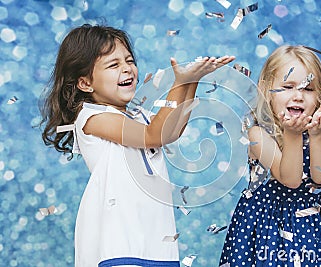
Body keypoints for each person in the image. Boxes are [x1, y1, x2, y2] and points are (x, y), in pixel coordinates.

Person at [40, 24, 234, 267]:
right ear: (85, 83)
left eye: (129, 61)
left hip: (155, 234)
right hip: (120, 239)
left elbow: (171, 131)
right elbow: (155, 134)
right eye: (113, 65)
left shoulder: (138, 115)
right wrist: (179, 83)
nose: (127, 69)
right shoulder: (92, 118)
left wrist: (190, 83)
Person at [219, 45, 321, 266]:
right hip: (270, 224)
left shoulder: (317, 127)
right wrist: (293, 135)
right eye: (288, 87)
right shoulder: (258, 133)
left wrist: (316, 135)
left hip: (316, 221)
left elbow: (320, 177)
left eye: (308, 89)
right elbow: (290, 179)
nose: (298, 96)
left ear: (319, 95)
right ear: (268, 90)